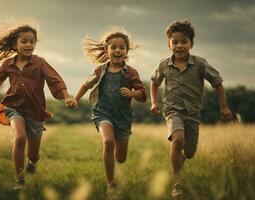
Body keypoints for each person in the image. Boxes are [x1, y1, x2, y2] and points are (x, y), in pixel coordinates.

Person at [0, 19, 73, 189]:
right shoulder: (8, 64)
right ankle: (20, 180)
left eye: (32, 42)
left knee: (34, 155)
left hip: (36, 111)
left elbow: (56, 80)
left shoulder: (40, 63)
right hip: (13, 107)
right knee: (19, 138)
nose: (28, 45)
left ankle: (31, 162)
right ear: (14, 44)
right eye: (24, 41)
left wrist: (66, 97)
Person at [150, 20, 233, 198]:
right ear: (169, 44)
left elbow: (217, 83)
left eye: (184, 42)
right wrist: (154, 102)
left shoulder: (200, 64)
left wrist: (223, 106)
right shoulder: (164, 64)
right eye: (175, 42)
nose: (179, 46)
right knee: (177, 140)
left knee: (189, 152)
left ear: (191, 44)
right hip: (172, 110)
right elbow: (155, 83)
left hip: (193, 113)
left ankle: (182, 160)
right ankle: (177, 183)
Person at [68, 28, 147, 193]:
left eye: (121, 47)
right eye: (113, 47)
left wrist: (132, 93)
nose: (117, 50)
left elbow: (142, 95)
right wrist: (75, 98)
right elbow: (86, 84)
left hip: (123, 117)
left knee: (121, 157)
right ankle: (110, 183)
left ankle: (116, 163)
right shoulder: (100, 70)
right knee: (108, 142)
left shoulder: (131, 73)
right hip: (102, 113)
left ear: (126, 51)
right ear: (106, 50)